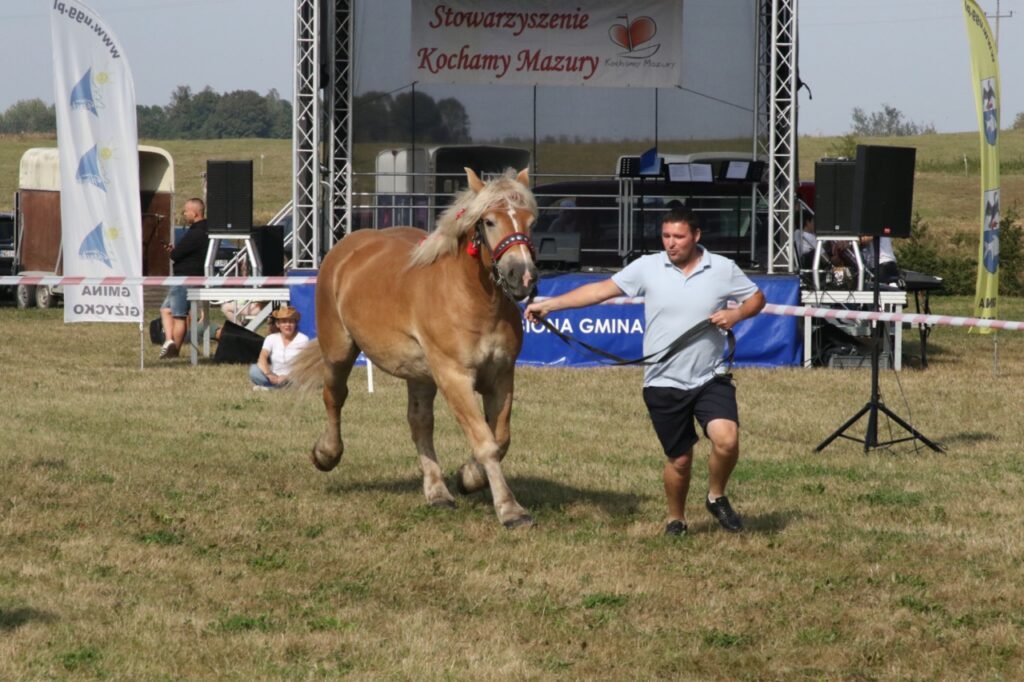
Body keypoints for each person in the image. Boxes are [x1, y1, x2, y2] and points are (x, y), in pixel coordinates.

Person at [525, 208, 765, 536]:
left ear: (696, 236)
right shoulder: (647, 267)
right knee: (680, 460)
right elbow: (600, 290)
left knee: (727, 439)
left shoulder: (722, 268)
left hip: (710, 376)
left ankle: (716, 496)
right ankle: (676, 518)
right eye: (666, 236)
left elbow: (756, 298)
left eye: (678, 236)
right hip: (662, 381)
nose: (671, 243)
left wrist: (736, 316)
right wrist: (549, 305)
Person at [159, 198, 210, 359]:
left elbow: (176, 255)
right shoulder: (206, 229)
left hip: (185, 278)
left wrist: (173, 251)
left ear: (195, 213)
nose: (184, 214)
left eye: (186, 211)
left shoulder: (195, 232)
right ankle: (169, 342)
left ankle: (174, 351)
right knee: (166, 309)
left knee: (179, 316)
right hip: (191, 276)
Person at [250, 305, 309, 390]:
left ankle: (270, 388)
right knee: (254, 370)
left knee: (302, 378)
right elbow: (262, 357)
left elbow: (304, 364)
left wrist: (287, 377)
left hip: (294, 376)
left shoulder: (303, 339)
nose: (288, 325)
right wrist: (269, 374)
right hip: (274, 376)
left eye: (291, 322)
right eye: (284, 322)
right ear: (278, 324)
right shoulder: (271, 338)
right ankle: (278, 387)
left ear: (295, 323)